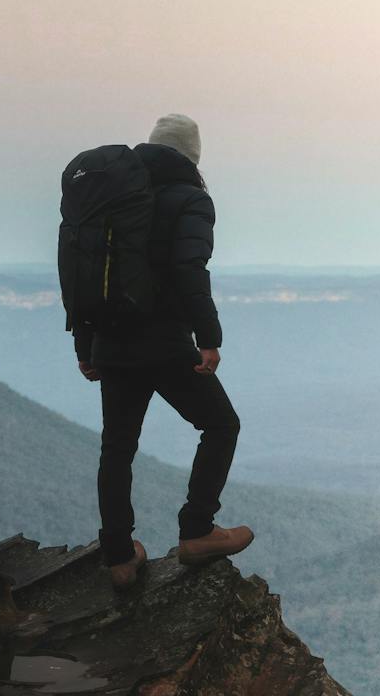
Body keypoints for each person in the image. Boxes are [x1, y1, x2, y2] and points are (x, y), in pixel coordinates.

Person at [73, 113, 254, 590]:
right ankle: (197, 530)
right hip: (167, 343)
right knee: (220, 424)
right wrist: (208, 337)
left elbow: (81, 273)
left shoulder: (109, 196)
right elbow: (189, 268)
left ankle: (118, 556)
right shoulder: (190, 199)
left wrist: (85, 344)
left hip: (110, 341)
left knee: (117, 448)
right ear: (192, 156)